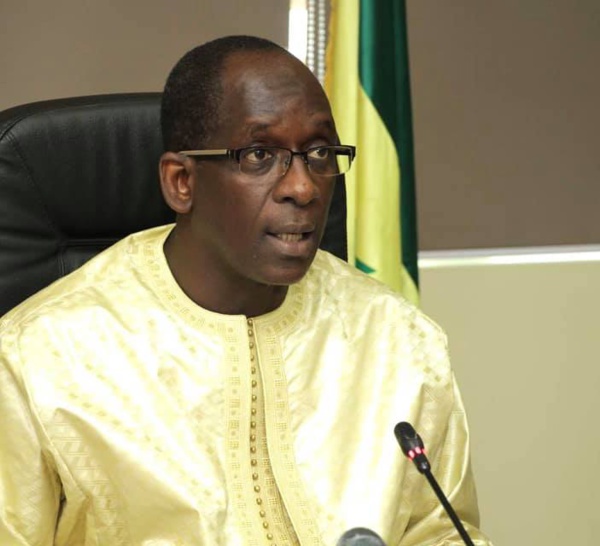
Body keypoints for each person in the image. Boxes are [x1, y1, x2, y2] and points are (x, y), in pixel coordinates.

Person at [0, 36, 492, 545]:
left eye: (319, 153)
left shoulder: (398, 339)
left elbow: (441, 532)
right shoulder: (38, 359)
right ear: (181, 181)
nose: (303, 187)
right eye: (260, 155)